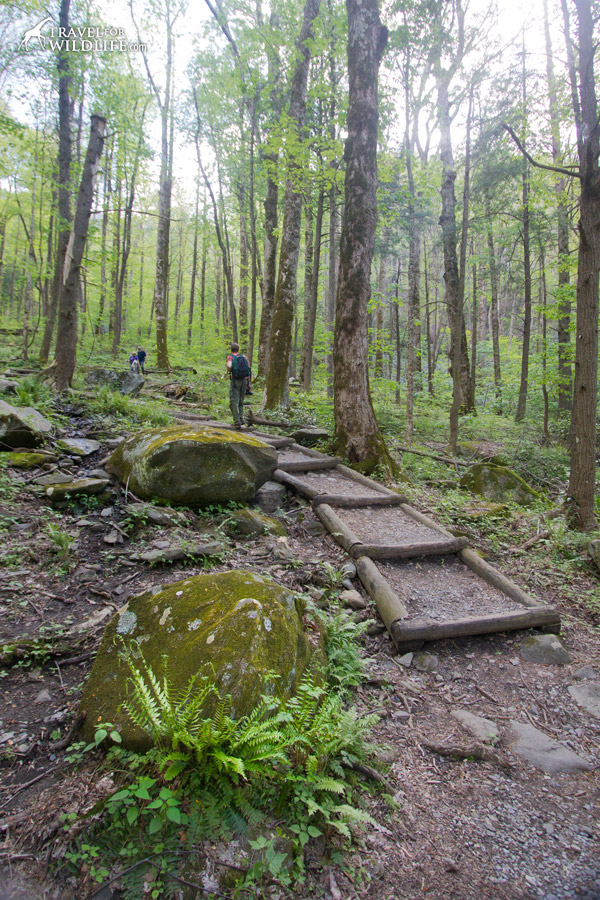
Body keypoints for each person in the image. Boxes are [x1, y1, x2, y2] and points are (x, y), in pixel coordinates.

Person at [226, 342, 251, 428]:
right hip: (244, 380)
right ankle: (241, 419)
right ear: (238, 349)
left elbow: (229, 366)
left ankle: (237, 421)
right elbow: (248, 368)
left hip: (235, 380)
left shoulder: (230, 357)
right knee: (241, 400)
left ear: (231, 349)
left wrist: (230, 370)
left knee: (233, 401)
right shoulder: (244, 357)